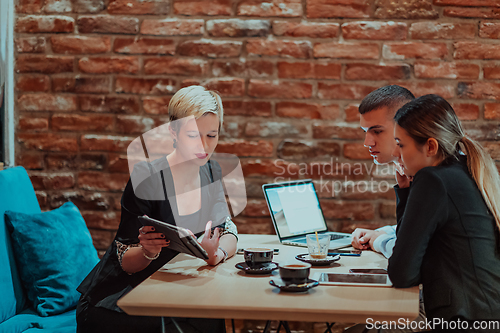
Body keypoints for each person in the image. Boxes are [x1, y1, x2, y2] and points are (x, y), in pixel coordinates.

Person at [76, 86, 238, 333]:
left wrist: (217, 255)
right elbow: (124, 258)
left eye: (211, 136)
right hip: (119, 297)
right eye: (193, 135)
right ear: (173, 131)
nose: (204, 145)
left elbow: (228, 231)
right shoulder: (148, 178)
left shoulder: (210, 171)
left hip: (168, 289)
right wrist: (148, 252)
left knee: (212, 316)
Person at [388, 94, 500, 327]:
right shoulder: (466, 170)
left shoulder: (433, 180)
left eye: (400, 144)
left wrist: (408, 193)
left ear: (430, 146)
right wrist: (406, 191)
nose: (396, 154)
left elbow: (402, 273)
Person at [350, 85, 415, 258]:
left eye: (377, 131)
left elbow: (409, 252)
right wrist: (380, 232)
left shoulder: (434, 176)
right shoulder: (409, 174)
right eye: (365, 132)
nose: (367, 142)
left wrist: (377, 240)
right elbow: (416, 229)